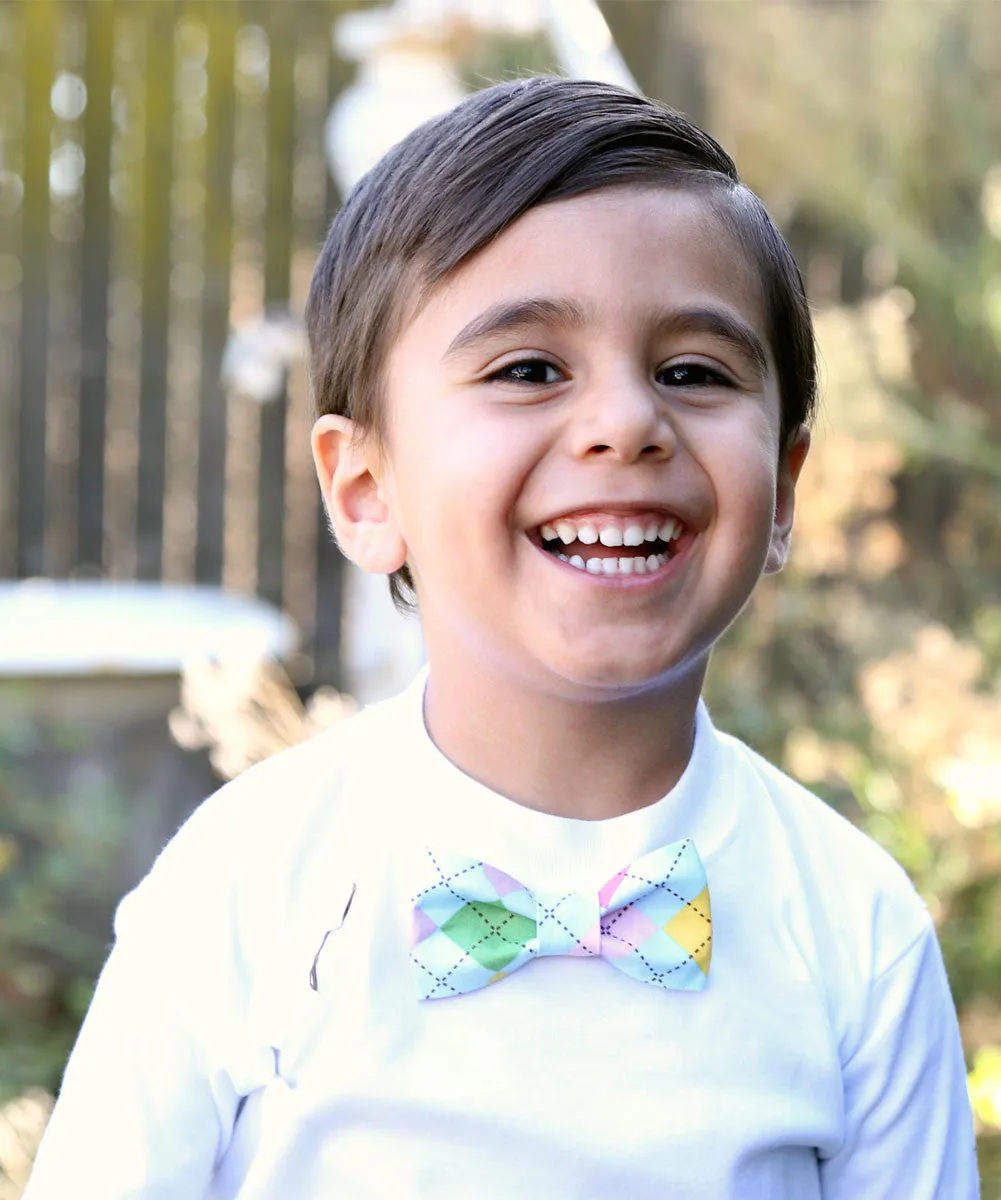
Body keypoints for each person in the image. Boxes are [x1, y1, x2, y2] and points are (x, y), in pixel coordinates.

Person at [25, 76, 977, 1199]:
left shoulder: (854, 934)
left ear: (780, 490)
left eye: (691, 372)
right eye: (528, 370)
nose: (627, 422)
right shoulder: (244, 889)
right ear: (368, 487)